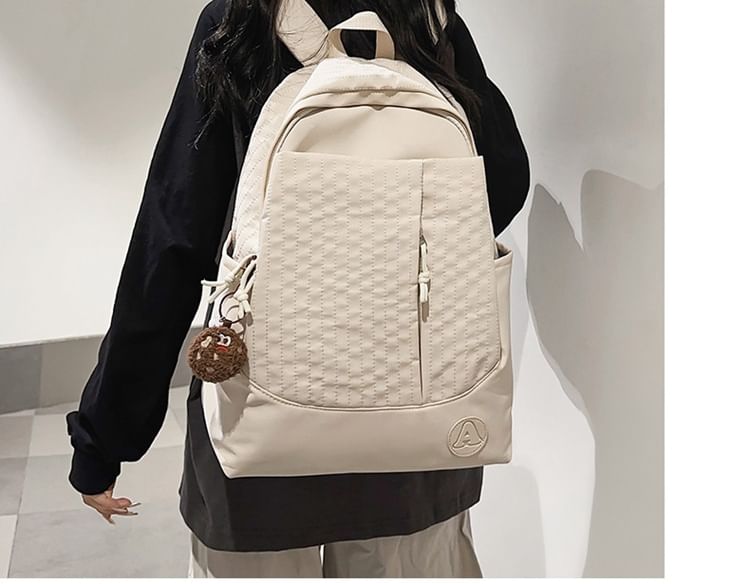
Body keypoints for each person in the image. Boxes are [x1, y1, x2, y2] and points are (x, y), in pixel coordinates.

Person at [65, 0, 530, 577]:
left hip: (263, 419)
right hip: (417, 416)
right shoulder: (426, 18)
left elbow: (174, 239)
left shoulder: (240, 20)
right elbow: (503, 181)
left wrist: (104, 436)